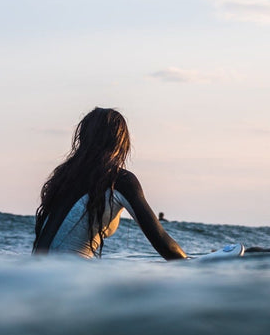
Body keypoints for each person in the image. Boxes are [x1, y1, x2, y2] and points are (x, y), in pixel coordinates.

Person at [33, 108, 187, 260]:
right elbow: (165, 246)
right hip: (71, 278)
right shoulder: (119, 181)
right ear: (120, 143)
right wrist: (198, 269)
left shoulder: (63, 178)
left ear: (82, 139)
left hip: (38, 275)